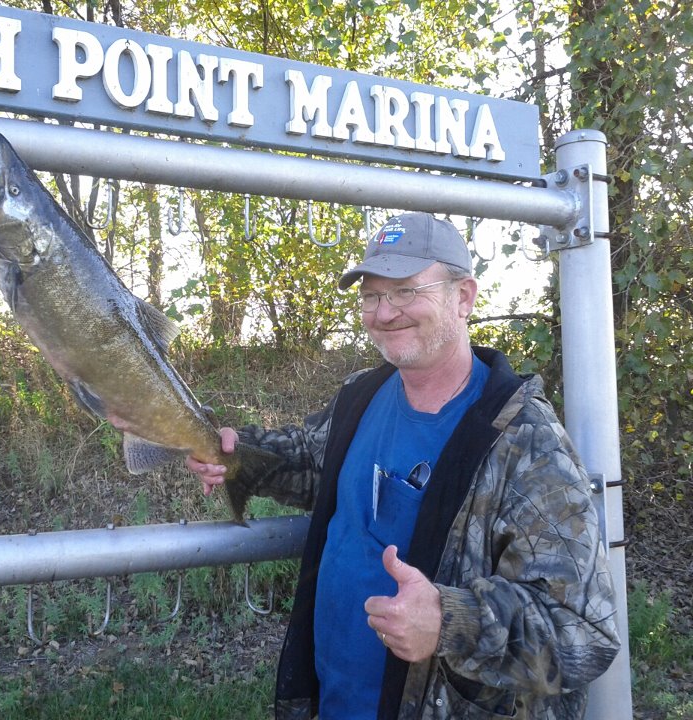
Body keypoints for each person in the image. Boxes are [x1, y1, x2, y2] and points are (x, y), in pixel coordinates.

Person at [186, 212, 620, 720]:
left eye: (407, 291)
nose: (384, 312)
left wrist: (450, 623)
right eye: (371, 295)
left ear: (463, 297)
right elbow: (310, 459)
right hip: (334, 701)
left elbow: (583, 632)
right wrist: (238, 454)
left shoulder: (524, 442)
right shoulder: (363, 394)